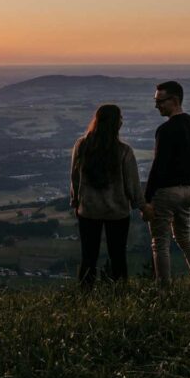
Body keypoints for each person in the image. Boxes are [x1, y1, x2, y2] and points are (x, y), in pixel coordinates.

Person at [70, 104, 146, 289]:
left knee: (88, 256)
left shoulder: (82, 145)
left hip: (88, 210)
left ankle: (85, 295)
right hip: (117, 211)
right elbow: (132, 183)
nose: (122, 121)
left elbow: (75, 177)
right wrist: (141, 205)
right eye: (120, 118)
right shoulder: (124, 151)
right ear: (116, 123)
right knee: (118, 255)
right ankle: (120, 293)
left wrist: (75, 202)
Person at [141, 80, 190, 287]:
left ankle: (164, 290)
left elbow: (158, 166)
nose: (156, 106)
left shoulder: (165, 130)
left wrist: (147, 200)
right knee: (185, 238)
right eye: (155, 101)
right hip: (188, 189)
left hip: (166, 192)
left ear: (175, 100)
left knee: (160, 242)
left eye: (160, 101)